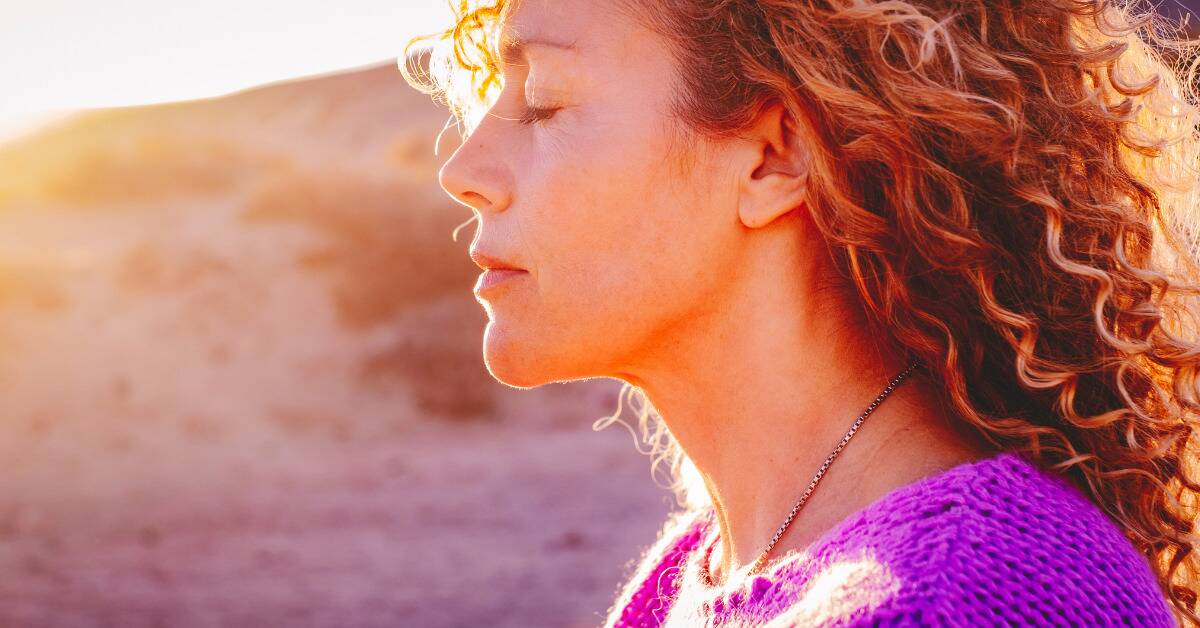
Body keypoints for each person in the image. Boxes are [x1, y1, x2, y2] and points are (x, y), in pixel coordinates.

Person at [401, 0, 1200, 625]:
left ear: (774, 156)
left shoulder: (967, 591)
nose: (463, 170)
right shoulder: (692, 575)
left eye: (542, 101)